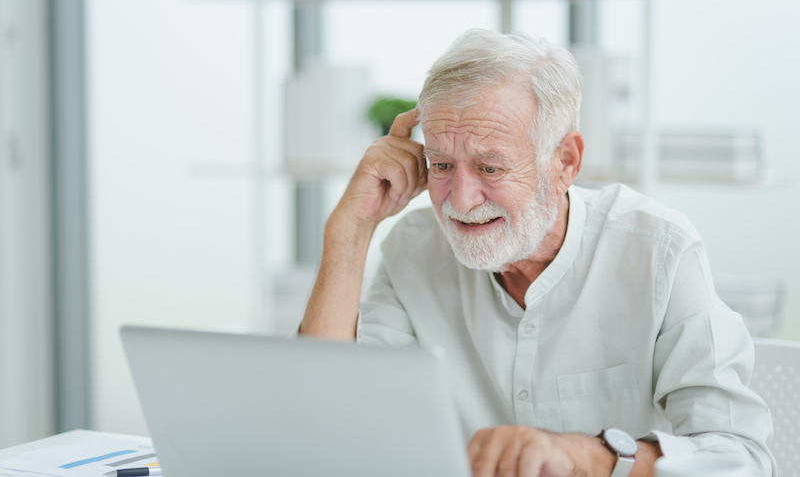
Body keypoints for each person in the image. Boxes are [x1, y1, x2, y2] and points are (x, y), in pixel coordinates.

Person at [299, 29, 775, 477]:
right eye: (441, 165)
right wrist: (348, 229)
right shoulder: (413, 248)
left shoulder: (657, 252)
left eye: (490, 167)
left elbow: (742, 456)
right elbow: (324, 422)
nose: (460, 201)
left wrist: (590, 456)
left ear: (565, 161)